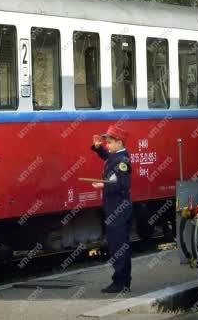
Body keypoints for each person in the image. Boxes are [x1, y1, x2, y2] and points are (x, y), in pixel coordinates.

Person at [91, 124, 133, 293]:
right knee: (120, 245)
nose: (106, 145)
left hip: (118, 208)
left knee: (118, 246)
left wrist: (103, 185)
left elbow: (124, 184)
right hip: (115, 207)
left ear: (119, 142)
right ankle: (124, 282)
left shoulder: (122, 161)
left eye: (109, 142)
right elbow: (108, 158)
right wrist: (98, 148)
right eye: (106, 142)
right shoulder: (117, 156)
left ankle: (120, 283)